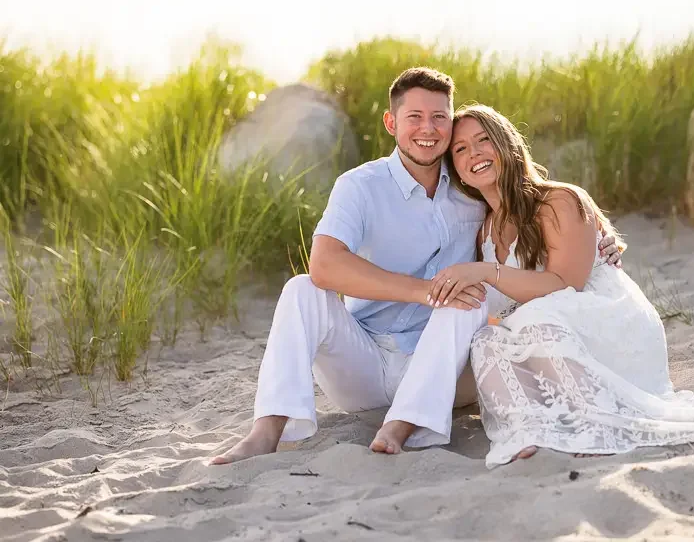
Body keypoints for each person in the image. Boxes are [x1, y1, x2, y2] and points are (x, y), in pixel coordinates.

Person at [209, 69, 622, 465]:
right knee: (301, 289)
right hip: (364, 361)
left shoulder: (469, 187)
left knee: (471, 300)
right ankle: (266, 430)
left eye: (439, 117)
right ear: (391, 122)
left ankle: (404, 425)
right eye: (415, 117)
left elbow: (532, 203)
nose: (428, 128)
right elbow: (325, 264)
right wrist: (423, 291)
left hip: (440, 365)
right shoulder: (360, 186)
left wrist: (603, 234)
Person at [418, 104, 694, 468]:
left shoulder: (559, 199)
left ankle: (595, 423)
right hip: (549, 326)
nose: (474, 153)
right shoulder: (484, 228)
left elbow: (564, 284)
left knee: (535, 319)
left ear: (508, 146)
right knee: (488, 341)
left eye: (484, 140)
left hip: (602, 316)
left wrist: (485, 273)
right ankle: (529, 430)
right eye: (461, 149)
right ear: (458, 171)